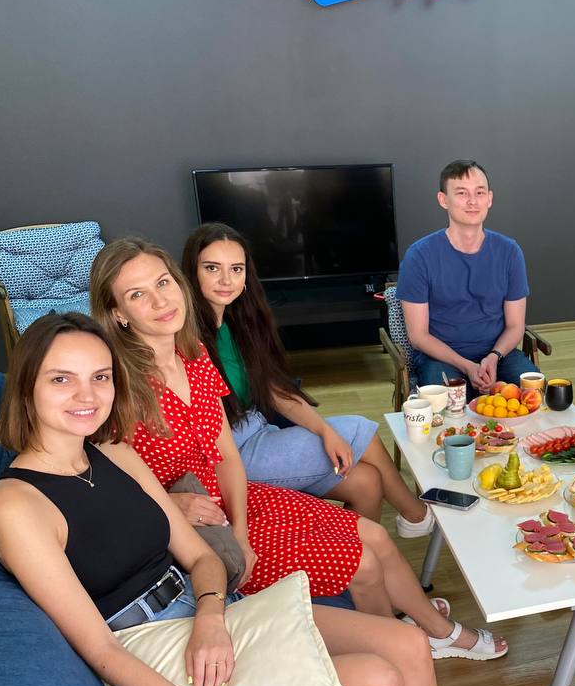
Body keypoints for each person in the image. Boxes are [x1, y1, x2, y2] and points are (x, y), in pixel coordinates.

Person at [0, 313, 520, 686]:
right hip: (152, 648)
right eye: (61, 379)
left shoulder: (114, 453)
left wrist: (212, 616)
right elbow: (100, 650)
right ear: (26, 384)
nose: (87, 395)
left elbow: (201, 558)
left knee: (407, 642)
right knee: (383, 680)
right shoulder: (17, 504)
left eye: (100, 377)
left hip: (210, 610)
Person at [88, 236, 507, 662]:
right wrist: (177, 507)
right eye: (137, 294)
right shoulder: (116, 386)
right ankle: (403, 647)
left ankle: (432, 632)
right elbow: (93, 486)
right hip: (196, 534)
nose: (160, 300)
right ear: (117, 313)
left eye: (162, 283)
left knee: (376, 534)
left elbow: (226, 455)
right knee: (363, 560)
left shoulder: (192, 355)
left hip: (236, 502)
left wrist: (241, 528)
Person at [179, 222, 433, 537]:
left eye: (236, 269)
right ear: (191, 273)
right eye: (212, 268)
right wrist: (330, 433)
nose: (226, 280)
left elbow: (275, 391)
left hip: (257, 429)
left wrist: (324, 430)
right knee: (361, 431)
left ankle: (357, 562)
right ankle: (417, 515)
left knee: (367, 482)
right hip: (229, 454)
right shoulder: (186, 338)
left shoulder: (237, 324)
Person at [396, 159, 538, 394]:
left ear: (489, 198)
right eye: (462, 193)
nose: (473, 201)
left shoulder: (510, 251)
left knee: (535, 397)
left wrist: (493, 357)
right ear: (443, 200)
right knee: (451, 406)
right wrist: (467, 366)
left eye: (479, 193)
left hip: (499, 354)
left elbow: (515, 325)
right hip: (442, 358)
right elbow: (418, 336)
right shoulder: (419, 256)